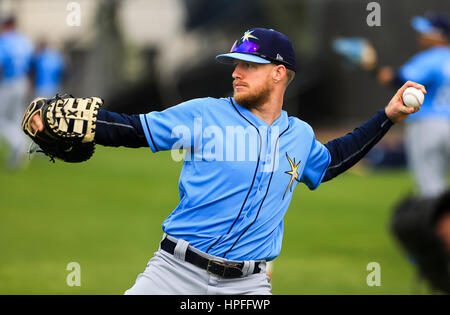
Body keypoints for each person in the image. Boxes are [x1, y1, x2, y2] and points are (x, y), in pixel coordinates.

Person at [28, 28, 425, 295]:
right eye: (235, 64)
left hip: (247, 286)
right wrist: (92, 125)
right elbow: (134, 129)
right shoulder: (204, 114)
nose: (236, 73)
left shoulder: (299, 136)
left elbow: (333, 160)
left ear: (278, 73)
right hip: (173, 274)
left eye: (248, 65)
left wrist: (387, 116)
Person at [376, 12, 450, 198]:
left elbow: (397, 80)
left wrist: (372, 67)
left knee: (430, 189)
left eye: (426, 32)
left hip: (427, 126)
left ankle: (435, 227)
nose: (421, 36)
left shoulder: (430, 58)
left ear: (439, 36)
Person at [0, 16, 34, 170]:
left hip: (8, 82)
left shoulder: (4, 40)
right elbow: (31, 65)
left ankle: (19, 143)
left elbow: (2, 63)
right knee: (15, 119)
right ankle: (16, 158)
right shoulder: (24, 41)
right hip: (22, 83)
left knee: (2, 120)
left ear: (6, 25)